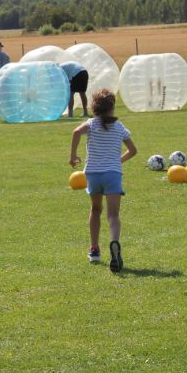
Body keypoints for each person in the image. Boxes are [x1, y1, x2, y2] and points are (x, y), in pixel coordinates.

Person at [69, 89, 137, 273]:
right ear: (112, 108)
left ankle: (94, 249)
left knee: (96, 210)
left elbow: (76, 132)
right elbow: (133, 150)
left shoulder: (91, 124)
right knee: (113, 215)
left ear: (94, 108)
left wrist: (73, 155)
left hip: (93, 174)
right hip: (112, 174)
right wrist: (117, 161)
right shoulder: (120, 127)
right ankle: (114, 241)